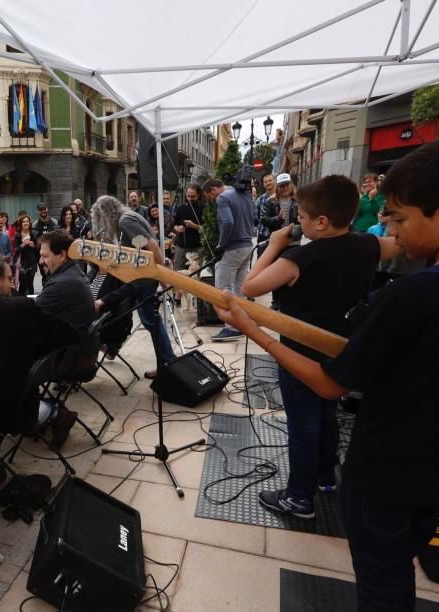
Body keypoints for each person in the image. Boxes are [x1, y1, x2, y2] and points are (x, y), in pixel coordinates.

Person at [213, 130, 439, 612]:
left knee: (383, 577)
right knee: (395, 567)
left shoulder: (415, 294)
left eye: (401, 218)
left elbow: (331, 382)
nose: (392, 231)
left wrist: (256, 332)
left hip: (390, 471)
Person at [239, 175, 401, 521]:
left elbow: (250, 286)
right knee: (327, 414)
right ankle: (326, 477)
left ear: (322, 222)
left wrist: (273, 244)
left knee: (303, 425)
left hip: (299, 354)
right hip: (340, 348)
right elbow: (395, 246)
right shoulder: (365, 246)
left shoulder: (300, 258)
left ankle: (299, 497)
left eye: (302, 219)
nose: (298, 225)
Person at [0, 251, 79, 482]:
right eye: (8, 278)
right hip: (18, 407)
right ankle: (56, 413)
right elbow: (67, 334)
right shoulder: (21, 308)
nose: (12, 282)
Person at [90, 195, 176, 379]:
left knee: (151, 322)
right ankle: (166, 362)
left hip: (145, 279)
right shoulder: (129, 217)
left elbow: (151, 245)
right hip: (143, 277)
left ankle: (168, 362)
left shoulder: (125, 221)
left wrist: (161, 277)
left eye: (101, 218)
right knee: (151, 321)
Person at [203, 178, 255, 341]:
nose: (212, 200)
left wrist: (221, 245)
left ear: (213, 190)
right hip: (247, 245)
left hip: (233, 247)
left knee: (222, 288)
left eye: (209, 196)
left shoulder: (222, 197)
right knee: (239, 289)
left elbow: (227, 222)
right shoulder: (243, 194)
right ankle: (241, 324)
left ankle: (232, 328)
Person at [34, 230, 96, 333]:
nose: (40, 261)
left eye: (45, 256)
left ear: (62, 255)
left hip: (67, 346)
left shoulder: (63, 283)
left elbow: (28, 313)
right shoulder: (72, 271)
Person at [172, 185, 204, 270]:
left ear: (199, 195)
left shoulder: (203, 208)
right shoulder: (181, 208)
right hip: (182, 245)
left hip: (197, 246)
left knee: (195, 271)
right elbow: (174, 224)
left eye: (193, 196)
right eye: (188, 196)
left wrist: (193, 226)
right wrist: (177, 228)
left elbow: (206, 230)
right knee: (178, 270)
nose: (190, 199)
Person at [14, 215, 39, 295]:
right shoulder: (17, 235)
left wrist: (34, 246)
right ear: (21, 224)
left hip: (32, 262)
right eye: (23, 222)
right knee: (23, 285)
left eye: (27, 221)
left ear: (29, 223)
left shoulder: (33, 234)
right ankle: (21, 302)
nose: (25, 223)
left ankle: (31, 301)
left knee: (30, 284)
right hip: (21, 263)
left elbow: (38, 249)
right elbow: (16, 250)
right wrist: (22, 245)